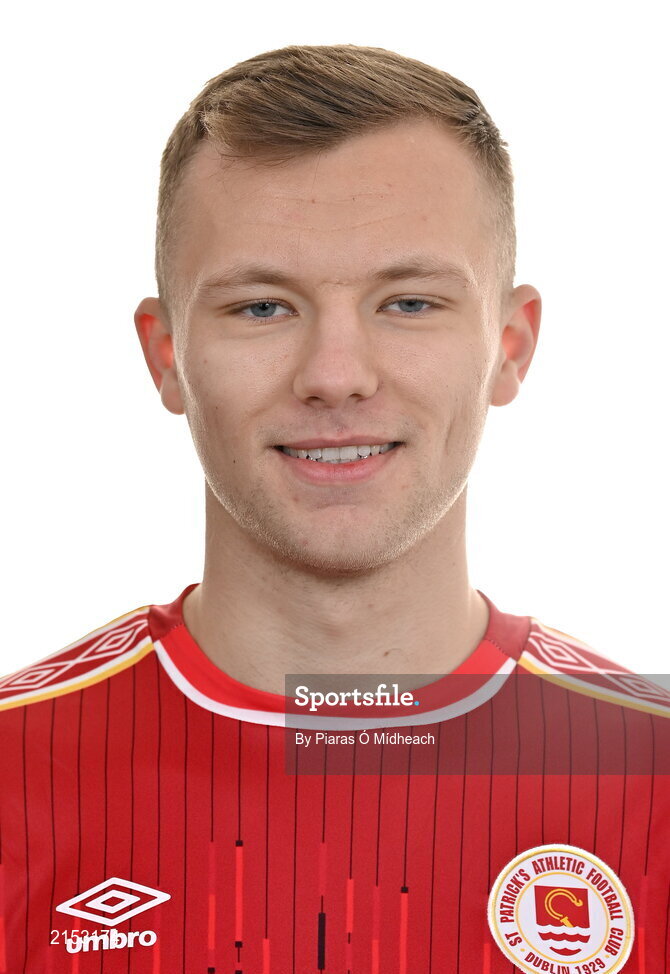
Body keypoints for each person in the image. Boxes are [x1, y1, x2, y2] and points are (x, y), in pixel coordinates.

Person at [0, 43, 667, 974]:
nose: (336, 377)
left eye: (409, 302)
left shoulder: (656, 778)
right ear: (165, 357)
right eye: (263, 308)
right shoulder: (13, 776)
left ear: (511, 346)